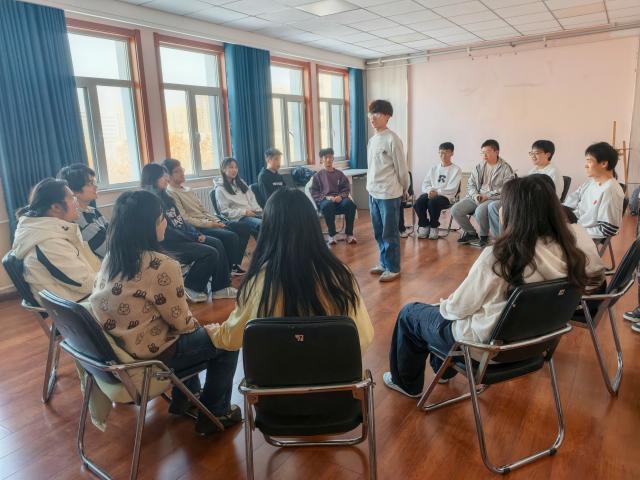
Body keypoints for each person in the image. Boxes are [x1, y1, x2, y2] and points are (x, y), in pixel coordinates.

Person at [383, 174, 605, 398]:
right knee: (442, 316)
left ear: (512, 212)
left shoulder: (502, 256)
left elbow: (457, 309)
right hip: (536, 344)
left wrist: (442, 306)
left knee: (411, 314)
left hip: (487, 349)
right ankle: (444, 370)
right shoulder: (572, 252)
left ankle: (407, 384)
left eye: (502, 205)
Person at [90, 190, 240, 435]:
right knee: (228, 339)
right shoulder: (161, 265)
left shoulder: (111, 258)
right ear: (148, 226)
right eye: (162, 218)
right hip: (150, 355)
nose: (166, 223)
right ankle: (215, 411)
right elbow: (182, 324)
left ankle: (186, 398)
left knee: (192, 333)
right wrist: (211, 331)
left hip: (119, 348)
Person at [209, 188, 374, 352]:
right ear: (313, 225)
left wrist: (214, 333)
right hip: (333, 368)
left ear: (267, 230)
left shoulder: (258, 282)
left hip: (274, 369)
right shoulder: (340, 275)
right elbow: (364, 337)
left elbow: (230, 339)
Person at [141, 164, 236, 303]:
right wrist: (192, 237)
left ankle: (220, 288)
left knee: (216, 242)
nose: (167, 179)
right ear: (153, 178)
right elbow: (167, 232)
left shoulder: (165, 197)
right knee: (210, 252)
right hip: (168, 244)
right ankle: (191, 288)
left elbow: (181, 221)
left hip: (181, 238)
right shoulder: (149, 201)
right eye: (163, 176)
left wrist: (195, 234)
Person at [12, 178, 101, 302]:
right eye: (72, 198)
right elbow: (84, 283)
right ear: (56, 207)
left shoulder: (52, 231)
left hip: (77, 296)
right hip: (74, 305)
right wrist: (111, 280)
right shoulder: (48, 242)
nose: (76, 202)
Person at [162, 158, 249, 276]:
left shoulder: (188, 189)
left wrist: (216, 221)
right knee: (231, 236)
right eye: (177, 171)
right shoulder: (171, 193)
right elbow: (185, 219)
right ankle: (227, 270)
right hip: (197, 227)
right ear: (168, 176)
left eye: (182, 169)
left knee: (243, 228)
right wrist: (211, 224)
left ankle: (233, 264)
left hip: (208, 221)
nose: (182, 173)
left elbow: (203, 210)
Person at [367, 100, 410, 283]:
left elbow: (402, 169)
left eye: (376, 113)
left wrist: (405, 188)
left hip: (389, 194)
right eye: (371, 113)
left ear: (387, 116)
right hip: (373, 192)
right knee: (378, 232)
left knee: (389, 233)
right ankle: (384, 263)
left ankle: (393, 268)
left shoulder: (393, 139)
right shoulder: (372, 140)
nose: (372, 117)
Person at [488, 140, 563, 237]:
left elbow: (552, 197)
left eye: (536, 153)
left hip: (539, 207)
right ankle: (499, 238)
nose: (533, 156)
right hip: (526, 202)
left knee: (503, 210)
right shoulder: (533, 170)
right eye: (531, 153)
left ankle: (506, 239)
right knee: (493, 206)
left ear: (548, 154)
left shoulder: (553, 172)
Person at [451, 139, 514, 248]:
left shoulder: (505, 168)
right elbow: (470, 184)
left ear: (496, 152)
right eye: (482, 152)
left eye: (487, 152)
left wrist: (487, 196)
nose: (484, 155)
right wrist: (475, 195)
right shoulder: (479, 167)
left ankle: (484, 236)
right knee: (455, 209)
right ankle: (471, 233)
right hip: (477, 196)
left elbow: (506, 188)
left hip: (493, 198)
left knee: (480, 211)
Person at [563, 142, 624, 239]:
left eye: (589, 161)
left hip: (583, 235)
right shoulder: (592, 182)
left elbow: (608, 230)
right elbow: (572, 200)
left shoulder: (610, 191)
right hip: (574, 224)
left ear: (604, 164)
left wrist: (573, 231)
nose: (586, 165)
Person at [57, 164, 109, 259]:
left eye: (94, 182)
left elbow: (113, 232)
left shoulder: (92, 210)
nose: (95, 186)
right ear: (74, 191)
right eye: (90, 184)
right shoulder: (78, 219)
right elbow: (108, 249)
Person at [310, 147, 357, 245]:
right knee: (328, 205)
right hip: (326, 201)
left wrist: (341, 196)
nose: (328, 160)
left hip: (339, 201)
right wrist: (326, 198)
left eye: (330, 157)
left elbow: (346, 188)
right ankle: (332, 235)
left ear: (333, 158)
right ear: (321, 159)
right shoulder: (318, 176)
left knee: (350, 204)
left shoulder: (339, 174)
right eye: (326, 157)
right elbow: (314, 192)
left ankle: (349, 234)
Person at [414, 142, 462, 240]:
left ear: (452, 153)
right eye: (441, 153)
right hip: (431, 193)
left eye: (446, 152)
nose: (443, 155)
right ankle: (424, 225)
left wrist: (437, 192)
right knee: (419, 202)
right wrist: (429, 191)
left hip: (446, 196)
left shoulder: (456, 169)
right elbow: (425, 184)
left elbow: (453, 188)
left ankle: (434, 226)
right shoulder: (434, 168)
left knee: (432, 202)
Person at [215, 157, 262, 238]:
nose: (234, 170)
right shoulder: (220, 189)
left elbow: (252, 198)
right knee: (263, 225)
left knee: (273, 221)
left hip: (252, 213)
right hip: (239, 218)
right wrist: (244, 212)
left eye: (236, 167)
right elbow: (224, 211)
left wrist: (257, 210)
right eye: (231, 167)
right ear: (223, 169)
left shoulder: (241, 182)